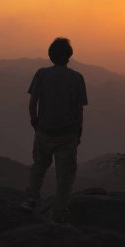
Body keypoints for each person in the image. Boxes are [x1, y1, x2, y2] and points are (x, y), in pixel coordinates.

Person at [20, 37, 88, 223]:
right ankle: (59, 213)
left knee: (39, 168)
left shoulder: (41, 74)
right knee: (64, 177)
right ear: (68, 57)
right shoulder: (77, 78)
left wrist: (35, 122)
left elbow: (33, 103)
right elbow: (79, 109)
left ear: (50, 55)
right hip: (67, 135)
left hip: (44, 131)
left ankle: (31, 199)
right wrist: (78, 133)